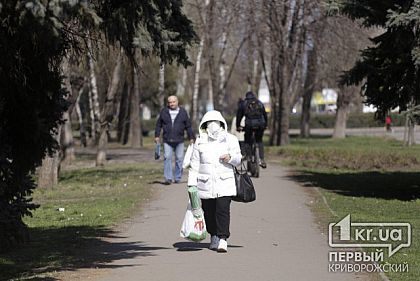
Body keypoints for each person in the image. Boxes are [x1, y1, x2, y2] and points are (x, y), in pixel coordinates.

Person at [187, 110, 242, 252]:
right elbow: (194, 165)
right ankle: (214, 236)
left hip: (225, 182)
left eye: (216, 123)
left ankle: (223, 239)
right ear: (204, 125)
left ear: (221, 124)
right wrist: (192, 184)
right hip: (205, 184)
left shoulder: (230, 139)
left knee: (223, 210)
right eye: (209, 123)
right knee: (209, 212)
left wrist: (229, 157)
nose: (213, 126)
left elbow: (238, 158)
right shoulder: (200, 141)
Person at [155, 95, 195, 185]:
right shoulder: (164, 111)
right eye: (170, 102)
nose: (171, 104)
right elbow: (158, 124)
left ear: (177, 102)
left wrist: (191, 137)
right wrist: (157, 135)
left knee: (179, 159)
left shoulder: (183, 112)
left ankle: (177, 177)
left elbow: (188, 126)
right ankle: (168, 178)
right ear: (168, 103)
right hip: (167, 139)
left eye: (173, 102)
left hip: (179, 140)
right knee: (167, 157)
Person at [236, 91, 268, 168]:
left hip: (249, 125)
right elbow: (265, 115)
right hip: (260, 125)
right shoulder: (259, 103)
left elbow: (239, 116)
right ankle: (261, 159)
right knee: (259, 140)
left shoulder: (244, 103)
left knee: (247, 140)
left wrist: (238, 126)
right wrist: (265, 125)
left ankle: (249, 156)